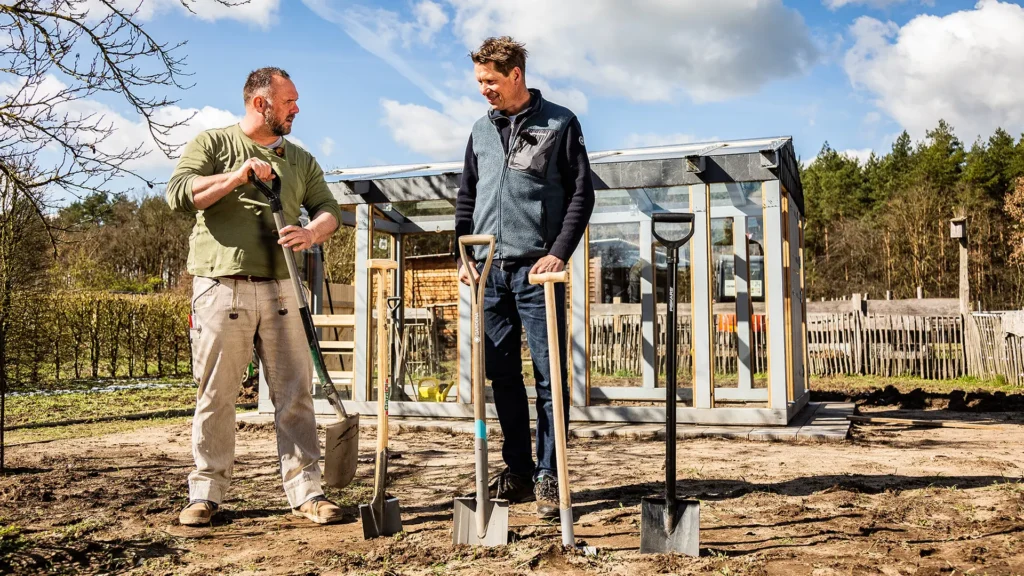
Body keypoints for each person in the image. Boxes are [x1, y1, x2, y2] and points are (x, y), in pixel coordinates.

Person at [166, 67, 344, 526]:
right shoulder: (213, 144)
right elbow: (180, 194)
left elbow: (329, 209)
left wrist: (311, 232)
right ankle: (205, 493)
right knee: (216, 394)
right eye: (289, 101)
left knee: (295, 394)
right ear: (261, 103)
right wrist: (237, 176)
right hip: (222, 286)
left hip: (284, 287)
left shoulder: (299, 159)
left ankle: (307, 492)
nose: (297, 108)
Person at [454, 37, 595, 519]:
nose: (483, 89)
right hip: (488, 272)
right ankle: (517, 469)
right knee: (501, 375)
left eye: (490, 80)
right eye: (479, 81)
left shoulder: (560, 123)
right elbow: (466, 196)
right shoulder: (480, 129)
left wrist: (558, 253)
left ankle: (550, 474)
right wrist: (463, 253)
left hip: (537, 274)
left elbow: (581, 194)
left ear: (516, 74)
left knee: (549, 376)